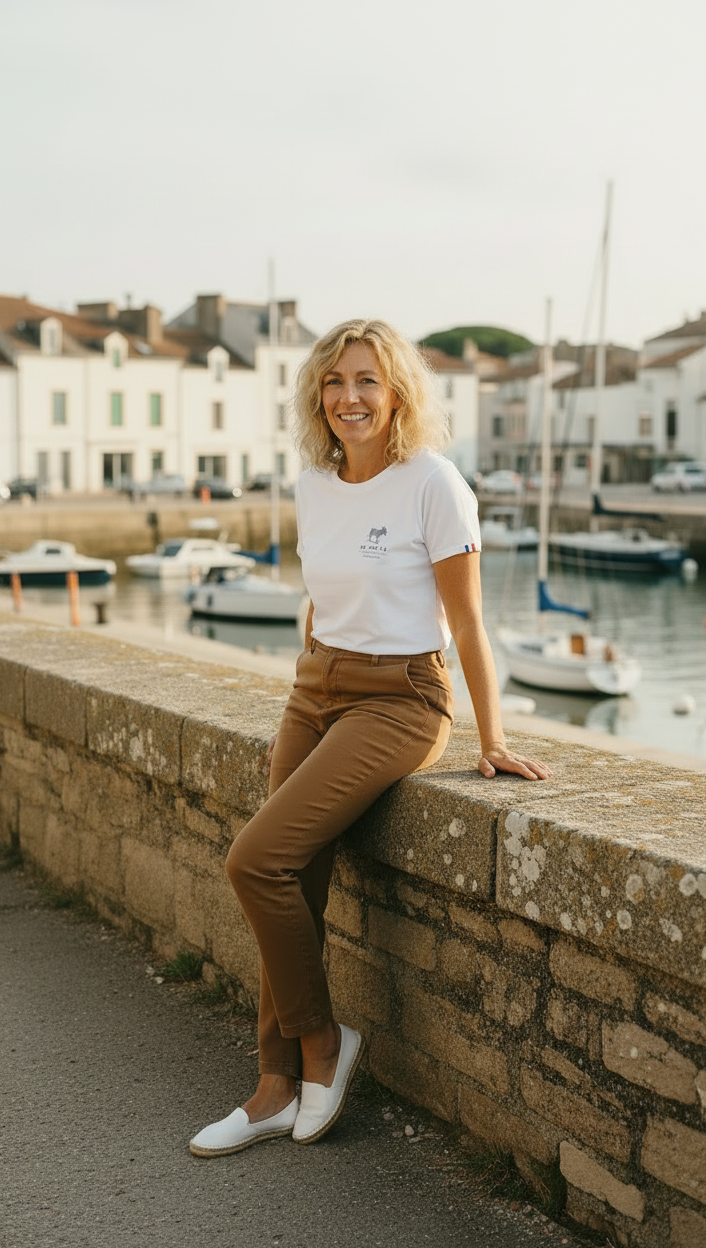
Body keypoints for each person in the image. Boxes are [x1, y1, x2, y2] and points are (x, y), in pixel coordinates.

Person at [189, 319, 552, 1158]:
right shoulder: (314, 482)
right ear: (318, 395)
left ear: (397, 395)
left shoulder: (433, 482)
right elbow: (326, 596)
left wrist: (490, 736)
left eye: (367, 382)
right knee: (293, 882)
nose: (349, 398)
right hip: (317, 686)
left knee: (254, 859)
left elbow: (466, 621)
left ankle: (323, 1045)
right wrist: (317, 672)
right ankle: (273, 1089)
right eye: (335, 382)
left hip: (402, 699)